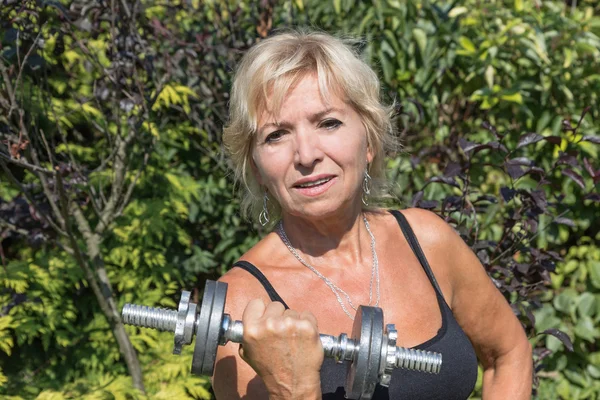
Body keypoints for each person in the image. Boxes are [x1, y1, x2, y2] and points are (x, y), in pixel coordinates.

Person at [212, 30, 532, 400]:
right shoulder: (241, 309)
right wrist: (294, 389)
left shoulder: (429, 241)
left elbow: (508, 354)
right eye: (276, 135)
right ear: (255, 168)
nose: (305, 154)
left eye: (328, 122)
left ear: (370, 141)